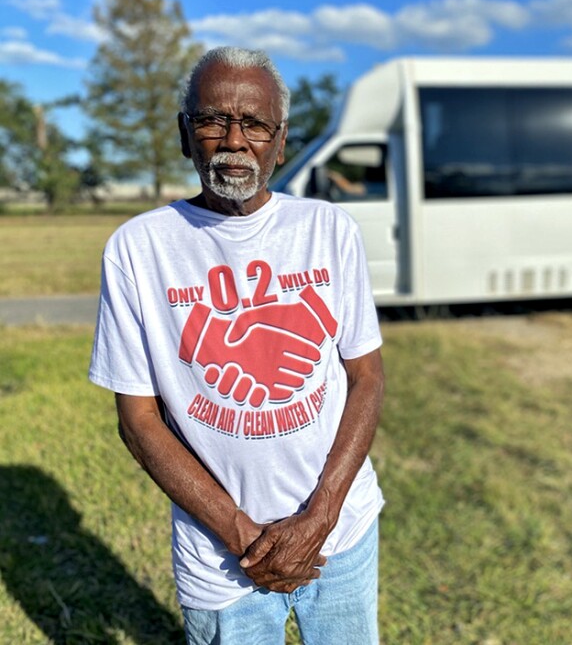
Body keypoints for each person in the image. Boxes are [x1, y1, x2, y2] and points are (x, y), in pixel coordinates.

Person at [89, 46, 385, 645]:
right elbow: (139, 421)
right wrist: (243, 536)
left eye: (254, 124)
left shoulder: (329, 231)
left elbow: (366, 378)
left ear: (281, 142)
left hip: (343, 533)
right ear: (183, 134)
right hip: (222, 559)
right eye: (211, 119)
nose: (233, 140)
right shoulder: (138, 249)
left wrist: (321, 516)